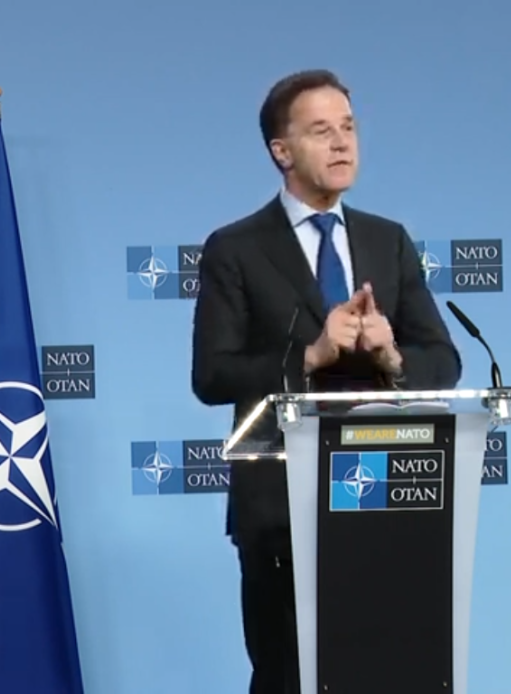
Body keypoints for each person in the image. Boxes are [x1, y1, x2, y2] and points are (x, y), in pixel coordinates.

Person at [190, 70, 461, 693]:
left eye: (348, 128)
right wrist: (309, 355)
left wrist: (392, 354)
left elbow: (443, 360)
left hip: (388, 502)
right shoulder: (235, 248)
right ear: (281, 151)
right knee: (289, 677)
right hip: (280, 509)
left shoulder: (387, 241)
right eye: (321, 131)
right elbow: (212, 374)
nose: (342, 143)